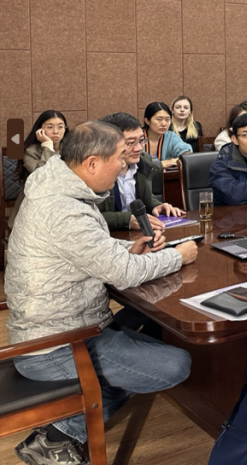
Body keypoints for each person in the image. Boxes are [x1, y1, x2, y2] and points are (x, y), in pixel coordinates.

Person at [6, 121, 198, 465]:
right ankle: (57, 436)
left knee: (153, 324)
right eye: (120, 158)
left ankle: (58, 432)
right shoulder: (63, 209)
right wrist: (178, 256)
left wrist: (126, 249)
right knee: (175, 364)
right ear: (92, 163)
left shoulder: (60, 187)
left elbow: (90, 248)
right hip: (56, 345)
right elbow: (123, 275)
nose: (124, 166)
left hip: (63, 326)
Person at [97, 112, 185, 231]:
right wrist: (127, 219)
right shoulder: (96, 170)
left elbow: (145, 196)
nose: (139, 148)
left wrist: (156, 206)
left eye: (142, 140)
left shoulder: (144, 161)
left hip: (139, 233)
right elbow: (91, 216)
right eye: (130, 143)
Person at [143, 101, 193, 169]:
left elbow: (186, 152)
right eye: (159, 119)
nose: (164, 124)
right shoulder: (136, 137)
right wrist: (161, 164)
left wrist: (184, 156)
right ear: (147, 121)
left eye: (167, 119)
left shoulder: (170, 136)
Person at [21, 110, 67, 177]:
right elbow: (42, 175)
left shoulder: (71, 148)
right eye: (50, 127)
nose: (55, 131)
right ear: (39, 130)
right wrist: (48, 147)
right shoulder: (30, 151)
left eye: (60, 127)